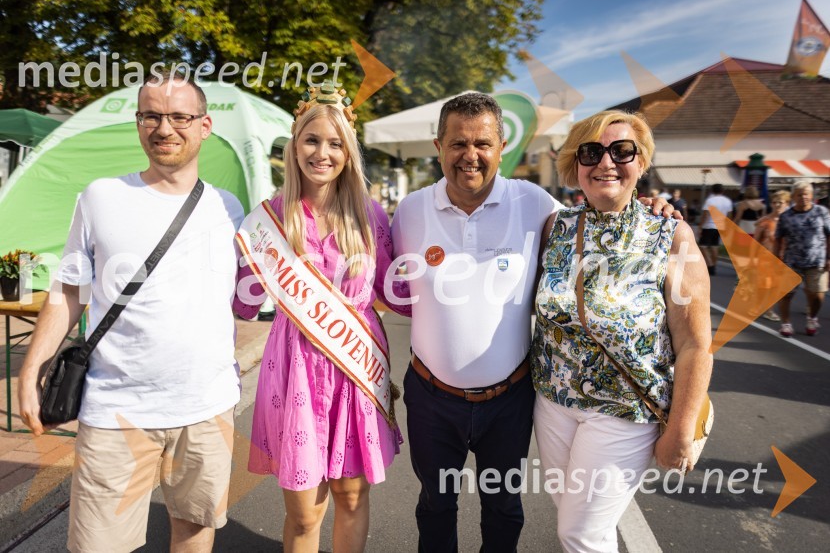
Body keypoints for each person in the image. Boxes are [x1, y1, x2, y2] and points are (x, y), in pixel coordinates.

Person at [390, 93, 676, 552]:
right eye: (458, 143)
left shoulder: (536, 203)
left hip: (509, 399)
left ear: (502, 147)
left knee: (503, 506)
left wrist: (650, 206)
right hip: (431, 396)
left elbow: (600, 216)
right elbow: (388, 288)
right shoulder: (409, 210)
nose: (470, 155)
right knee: (435, 504)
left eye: (483, 143)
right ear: (438, 146)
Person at [18, 72, 243, 552]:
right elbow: (69, 289)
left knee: (194, 532)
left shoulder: (229, 208)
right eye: (151, 116)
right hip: (116, 409)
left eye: (180, 117)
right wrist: (31, 371)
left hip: (207, 406)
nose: (165, 128)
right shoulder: (101, 196)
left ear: (204, 126)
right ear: (138, 123)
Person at [233, 82, 404, 552]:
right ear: (294, 146)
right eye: (311, 140)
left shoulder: (370, 216)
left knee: (351, 496)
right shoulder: (268, 219)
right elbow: (242, 302)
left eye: (335, 144)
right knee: (304, 512)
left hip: (355, 368)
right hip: (295, 371)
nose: (322, 153)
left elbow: (396, 292)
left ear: (348, 154)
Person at [531, 110, 712, 552]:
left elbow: (695, 344)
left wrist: (680, 430)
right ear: (576, 164)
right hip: (553, 403)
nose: (606, 162)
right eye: (591, 152)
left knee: (580, 533)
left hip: (625, 411)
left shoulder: (671, 236)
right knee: (578, 519)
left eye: (622, 151)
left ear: (641, 162)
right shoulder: (556, 227)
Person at [774, 182, 830, 337]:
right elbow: (778, 238)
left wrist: (828, 258)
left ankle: (812, 318)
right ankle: (786, 323)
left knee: (818, 294)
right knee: (786, 294)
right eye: (799, 194)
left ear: (811, 196)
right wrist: (776, 260)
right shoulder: (786, 216)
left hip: (817, 260)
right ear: (793, 197)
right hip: (792, 261)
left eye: (806, 194)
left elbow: (829, 235)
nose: (803, 197)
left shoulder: (821, 212)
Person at [753, 190, 791, 321]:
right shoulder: (765, 221)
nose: (777, 205)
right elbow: (756, 241)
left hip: (784, 258)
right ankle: (760, 307)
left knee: (776, 286)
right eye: (775, 202)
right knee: (764, 285)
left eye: (780, 202)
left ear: (787, 204)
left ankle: (768, 309)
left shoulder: (790, 221)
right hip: (766, 258)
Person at [698, 183, 733, 275]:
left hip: (709, 225)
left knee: (703, 246)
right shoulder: (727, 201)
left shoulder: (710, 201)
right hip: (721, 226)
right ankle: (713, 265)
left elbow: (705, 215)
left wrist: (700, 226)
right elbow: (729, 215)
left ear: (712, 190)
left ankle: (710, 265)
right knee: (715, 246)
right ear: (723, 191)